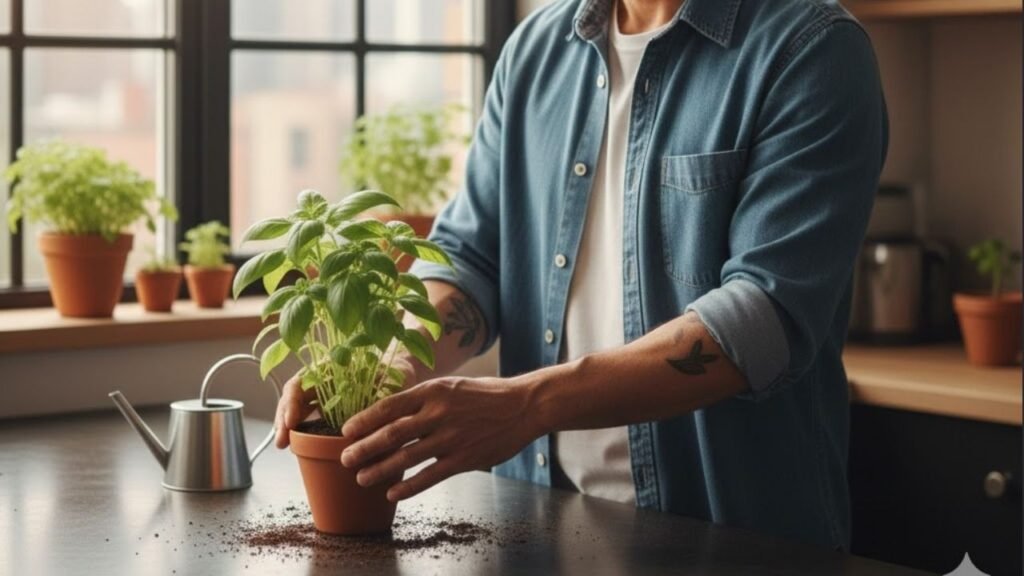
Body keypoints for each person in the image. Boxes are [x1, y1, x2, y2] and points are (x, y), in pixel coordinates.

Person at [274, 0, 888, 550]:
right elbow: (471, 256)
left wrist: (528, 405)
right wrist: (397, 366)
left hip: (730, 539)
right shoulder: (535, 51)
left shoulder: (812, 49)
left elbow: (762, 321)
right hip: (537, 531)